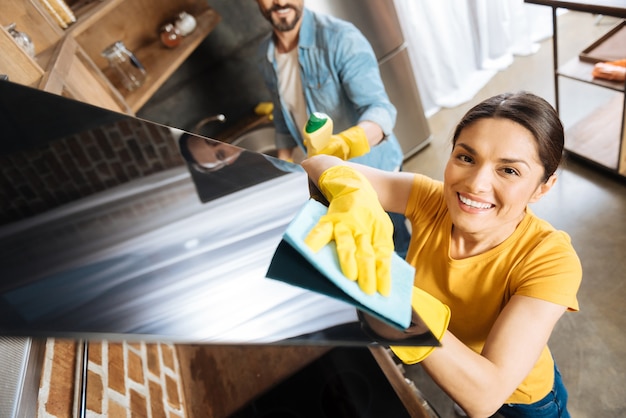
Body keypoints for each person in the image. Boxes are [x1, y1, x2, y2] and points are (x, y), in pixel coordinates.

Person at [302, 91, 582, 417]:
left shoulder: (551, 260)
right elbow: (316, 164)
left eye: (508, 171)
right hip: (455, 376)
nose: (476, 184)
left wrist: (402, 308)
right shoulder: (431, 200)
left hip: (525, 404)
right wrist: (349, 191)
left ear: (543, 187)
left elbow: (485, 396)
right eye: (466, 157)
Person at [254, 0, 411, 257]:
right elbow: (284, 118)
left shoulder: (341, 38)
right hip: (330, 181)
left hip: (375, 175)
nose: (280, 2)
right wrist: (283, 167)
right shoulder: (265, 55)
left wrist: (349, 142)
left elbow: (380, 109)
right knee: (361, 255)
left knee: (396, 250)